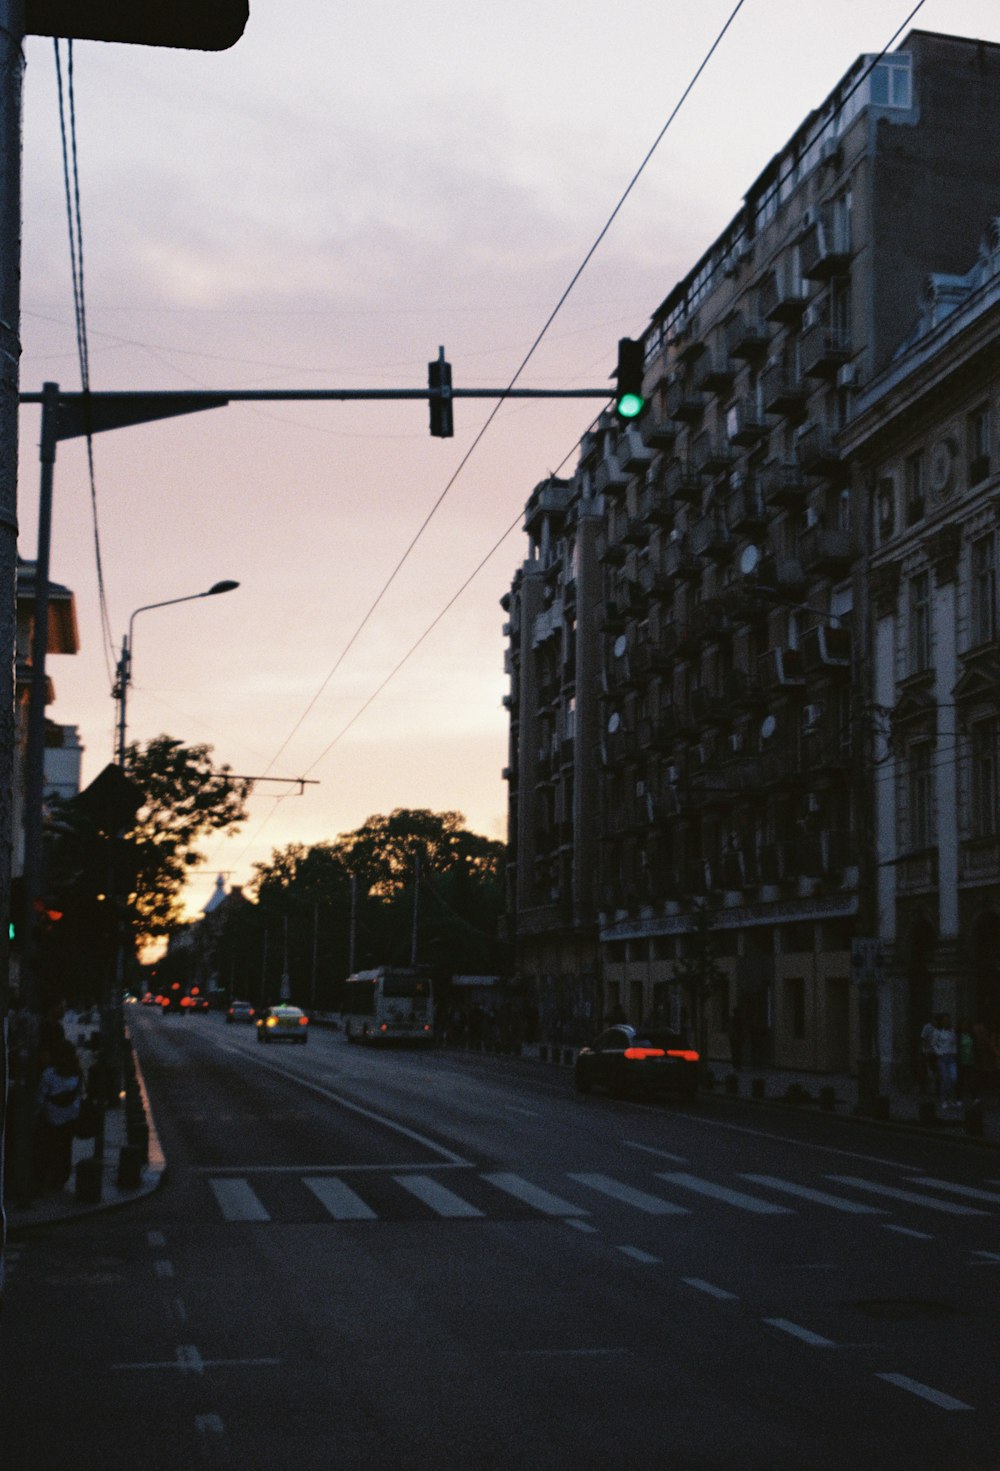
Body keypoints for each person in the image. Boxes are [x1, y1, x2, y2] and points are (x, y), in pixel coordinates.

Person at [34, 1037, 83, 1189]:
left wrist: (36, 1114)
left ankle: (45, 1177)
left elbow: (41, 1096)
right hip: (70, 1117)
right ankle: (61, 1177)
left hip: (51, 1116)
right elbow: (80, 1095)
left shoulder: (49, 1074)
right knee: (65, 1147)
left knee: (48, 1147)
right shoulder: (77, 1073)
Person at [931, 1012, 958, 1109]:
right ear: (941, 1021)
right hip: (942, 1057)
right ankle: (945, 1100)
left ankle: (951, 1099)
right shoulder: (937, 1032)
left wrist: (955, 1052)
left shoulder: (952, 1031)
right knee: (945, 1079)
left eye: (948, 1020)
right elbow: (933, 1044)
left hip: (951, 1057)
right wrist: (939, 1052)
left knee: (953, 1078)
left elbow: (954, 1043)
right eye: (945, 1020)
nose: (946, 1021)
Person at [919, 1014, 938, 1095]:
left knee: (935, 1070)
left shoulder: (938, 1028)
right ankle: (923, 1089)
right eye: (934, 1020)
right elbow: (923, 1039)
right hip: (927, 1052)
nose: (936, 1022)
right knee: (925, 1071)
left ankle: (936, 1089)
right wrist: (924, 1050)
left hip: (936, 1052)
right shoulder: (927, 1027)